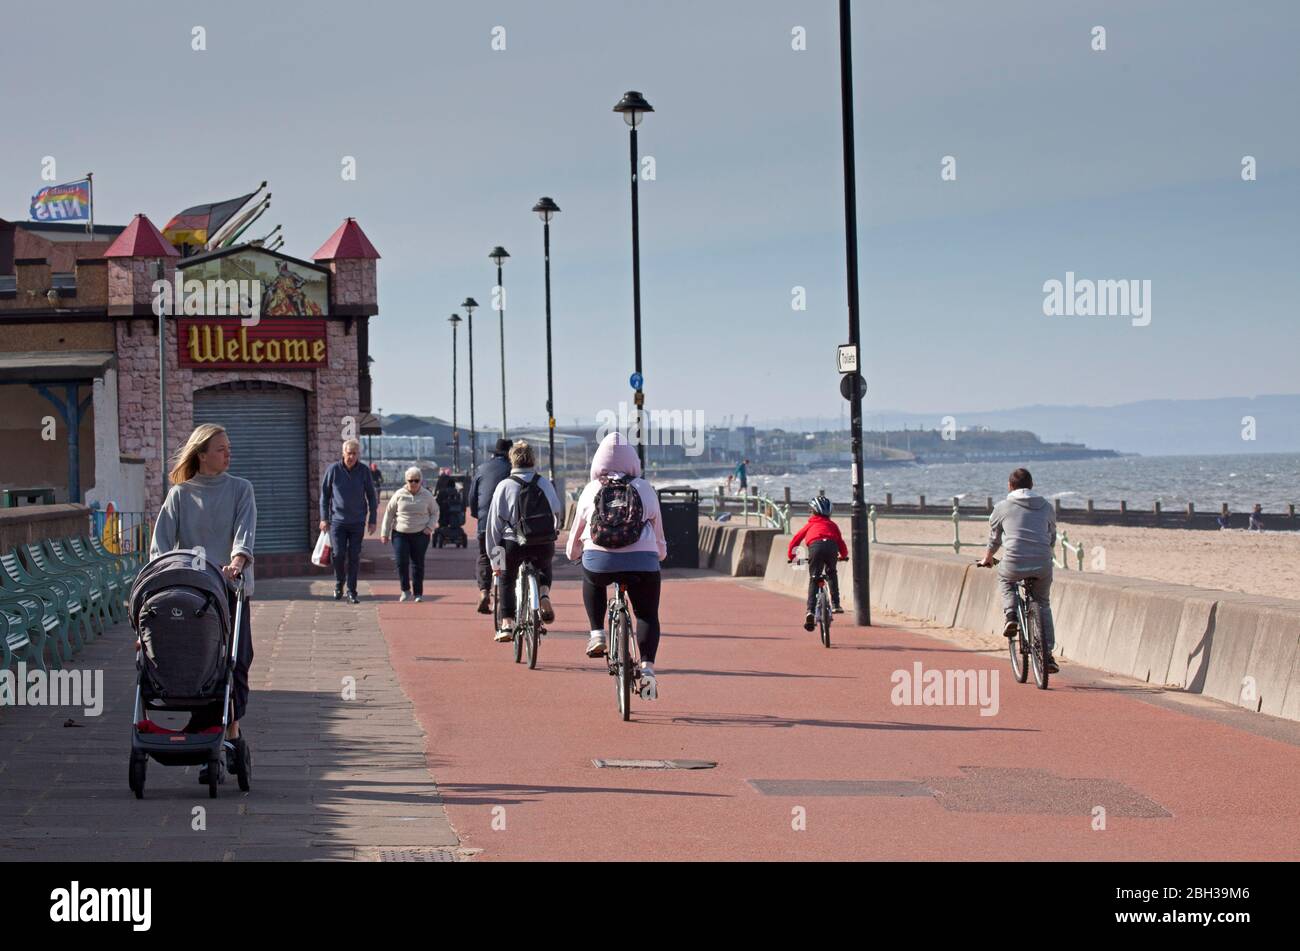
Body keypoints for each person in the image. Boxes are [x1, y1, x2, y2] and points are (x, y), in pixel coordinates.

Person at [149, 423, 255, 778]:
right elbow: (160, 545)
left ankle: (231, 731)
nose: (229, 453)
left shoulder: (241, 489)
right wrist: (161, 578)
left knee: (236, 661)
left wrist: (237, 561)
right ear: (202, 455)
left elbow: (244, 532)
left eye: (229, 447)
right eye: (221, 448)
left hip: (228, 588)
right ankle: (202, 734)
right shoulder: (180, 494)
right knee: (195, 662)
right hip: (192, 590)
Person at [566, 431, 668, 700]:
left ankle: (597, 633)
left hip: (600, 562)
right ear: (633, 461)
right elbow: (659, 536)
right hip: (642, 563)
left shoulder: (591, 490)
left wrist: (575, 553)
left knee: (591, 578)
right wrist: (658, 555)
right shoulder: (645, 488)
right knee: (646, 613)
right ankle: (647, 670)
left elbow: (575, 536)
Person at [977, 468, 1059, 674]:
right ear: (1031, 485)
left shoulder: (1002, 507)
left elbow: (994, 539)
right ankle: (1047, 654)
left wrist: (987, 559)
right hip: (1042, 562)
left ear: (1009, 486)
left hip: (1013, 562)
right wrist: (1046, 553)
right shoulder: (1047, 507)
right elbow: (1052, 536)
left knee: (1005, 579)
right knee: (1043, 603)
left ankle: (1011, 615)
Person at [485, 441, 562, 642]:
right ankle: (543, 594)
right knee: (544, 564)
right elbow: (557, 514)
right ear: (532, 460)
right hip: (542, 543)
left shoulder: (504, 486)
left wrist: (495, 559)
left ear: (512, 460)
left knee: (506, 577)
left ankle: (507, 623)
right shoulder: (544, 483)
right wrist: (552, 531)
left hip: (513, 544)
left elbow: (494, 526)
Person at [319, 439, 378, 603]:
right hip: (337, 521)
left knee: (354, 556)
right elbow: (325, 496)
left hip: (357, 521)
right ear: (343, 453)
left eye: (354, 453)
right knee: (338, 554)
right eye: (349, 453)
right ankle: (339, 583)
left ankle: (352, 591)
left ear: (358, 454)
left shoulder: (364, 471)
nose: (351, 456)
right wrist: (324, 518)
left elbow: (372, 496)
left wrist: (372, 520)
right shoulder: (333, 470)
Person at [787, 495, 848, 629]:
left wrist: (792, 558)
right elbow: (841, 542)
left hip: (815, 548)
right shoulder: (833, 525)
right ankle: (836, 604)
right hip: (832, 547)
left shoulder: (810, 525)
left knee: (814, 578)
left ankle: (810, 611)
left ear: (812, 511)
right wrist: (844, 555)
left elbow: (795, 541)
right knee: (831, 572)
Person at [468, 437, 513, 614]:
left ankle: (484, 591)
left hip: (485, 523)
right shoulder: (512, 470)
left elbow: (472, 498)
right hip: (507, 525)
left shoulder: (482, 469)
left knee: (485, 556)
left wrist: (477, 515)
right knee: (507, 560)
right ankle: (504, 599)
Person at [381, 466, 438, 602]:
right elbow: (389, 514)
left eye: (416, 481)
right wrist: (385, 533)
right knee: (401, 561)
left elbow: (435, 512)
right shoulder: (399, 494)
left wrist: (430, 527)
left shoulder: (427, 495)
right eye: (410, 480)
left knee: (418, 563)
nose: (413, 483)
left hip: (420, 533)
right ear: (406, 481)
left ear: (421, 481)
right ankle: (405, 590)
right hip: (400, 533)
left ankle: (418, 593)